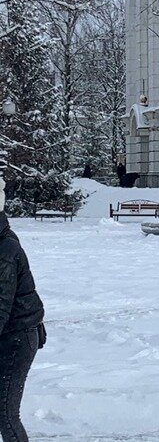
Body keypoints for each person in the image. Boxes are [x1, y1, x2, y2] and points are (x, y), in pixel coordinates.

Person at [0, 178, 46, 442]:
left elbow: (1, 306)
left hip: (17, 338)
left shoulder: (5, 249)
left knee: (5, 414)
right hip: (13, 332)